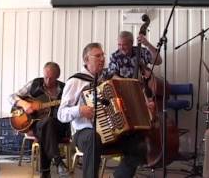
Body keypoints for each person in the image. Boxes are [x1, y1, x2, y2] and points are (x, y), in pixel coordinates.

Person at [58, 42, 156, 178]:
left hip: (112, 133)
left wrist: (144, 107)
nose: (102, 59)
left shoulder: (109, 79)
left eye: (103, 55)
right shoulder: (76, 81)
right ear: (86, 60)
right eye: (97, 56)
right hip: (84, 134)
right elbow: (61, 114)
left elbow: (126, 104)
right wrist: (79, 110)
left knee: (139, 144)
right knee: (94, 138)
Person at [9, 62, 70, 178]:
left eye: (51, 78)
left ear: (57, 77)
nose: (47, 81)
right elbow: (11, 97)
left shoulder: (64, 89)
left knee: (48, 124)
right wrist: (24, 104)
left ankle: (46, 171)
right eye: (45, 76)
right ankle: (58, 162)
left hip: (58, 126)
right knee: (47, 124)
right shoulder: (35, 83)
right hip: (36, 125)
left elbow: (70, 109)